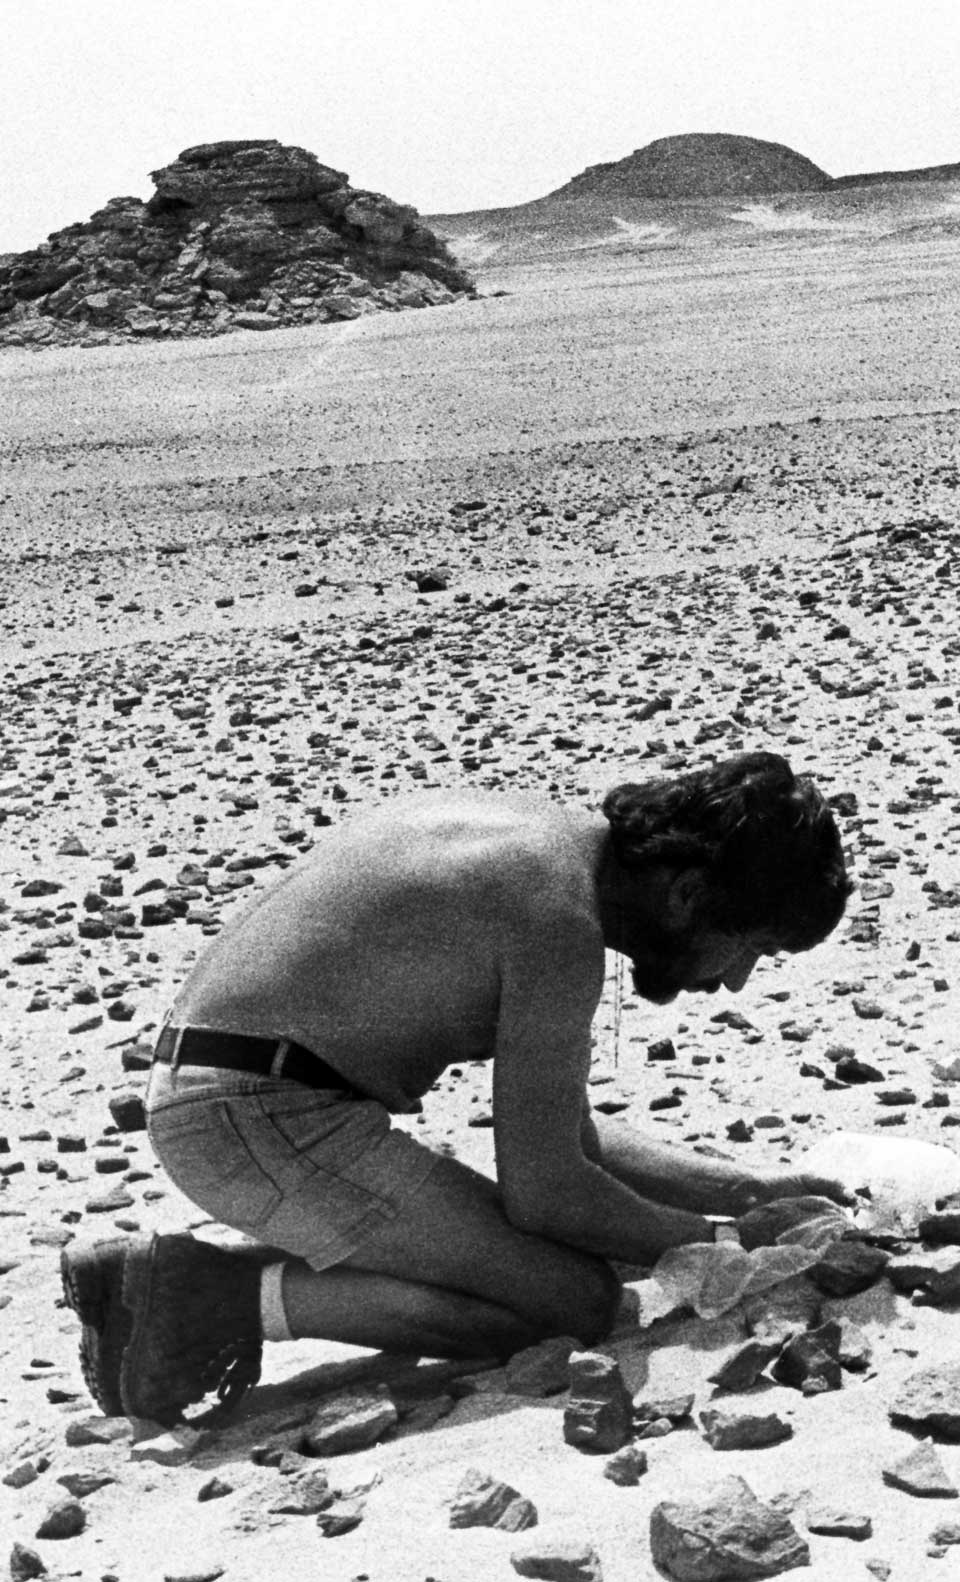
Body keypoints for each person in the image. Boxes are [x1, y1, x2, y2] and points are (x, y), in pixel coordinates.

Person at [62, 750, 852, 1426]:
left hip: (236, 1093)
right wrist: (724, 1248)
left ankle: (157, 1278)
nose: (737, 981)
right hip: (254, 1117)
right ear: (687, 895)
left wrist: (751, 1190)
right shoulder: (558, 917)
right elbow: (548, 1195)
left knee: (571, 1254)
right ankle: (211, 1295)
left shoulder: (547, 846)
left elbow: (571, 1138)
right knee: (570, 1300)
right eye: (751, 948)